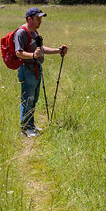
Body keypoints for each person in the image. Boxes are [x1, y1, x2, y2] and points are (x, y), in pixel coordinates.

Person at [15, 7, 67, 137]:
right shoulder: (21, 32)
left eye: (41, 18)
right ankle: (25, 128)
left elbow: (41, 49)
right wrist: (33, 55)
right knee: (27, 99)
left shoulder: (35, 33)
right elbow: (18, 53)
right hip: (27, 70)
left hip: (36, 70)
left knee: (33, 100)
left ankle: (31, 125)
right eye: (37, 18)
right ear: (29, 19)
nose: (40, 21)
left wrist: (58, 50)